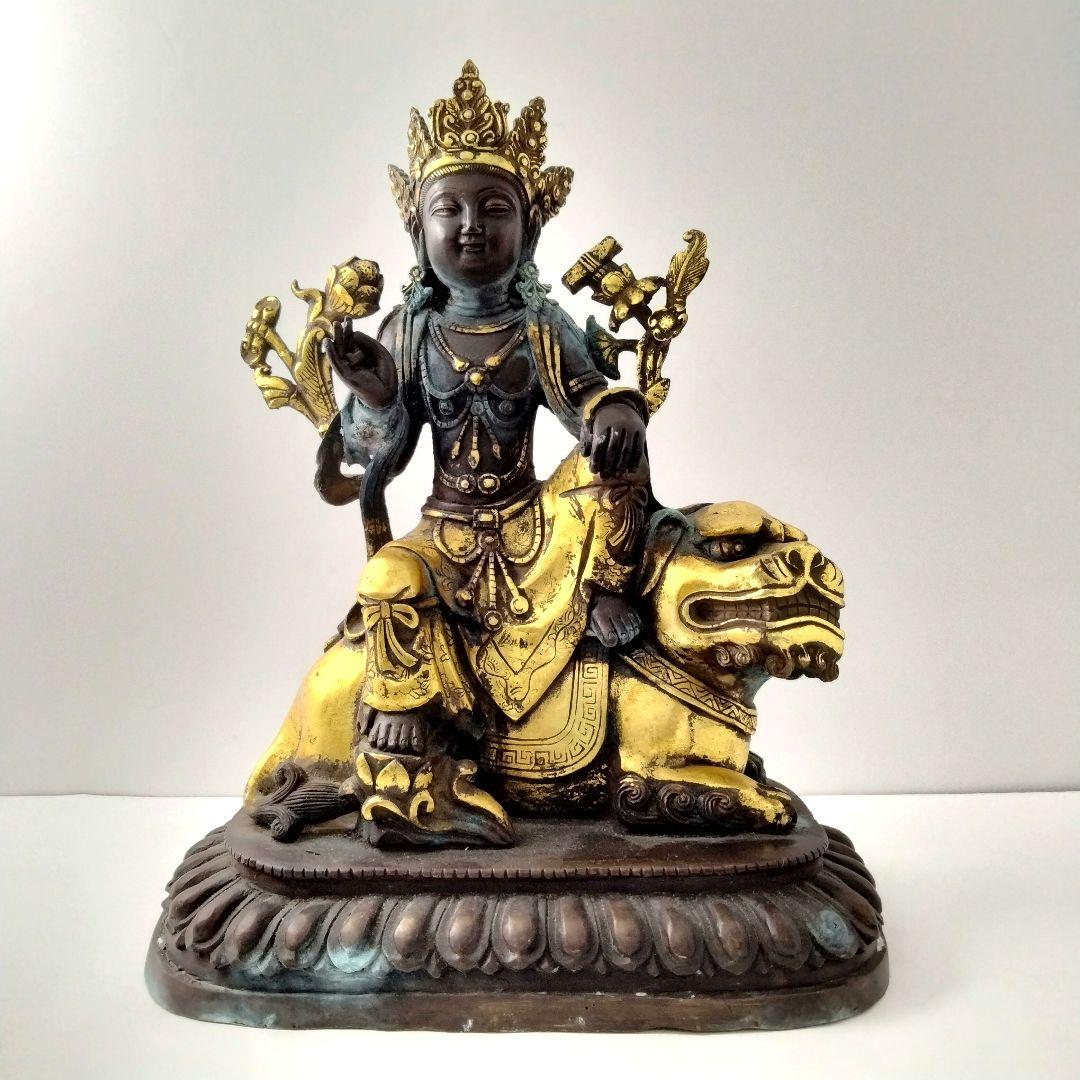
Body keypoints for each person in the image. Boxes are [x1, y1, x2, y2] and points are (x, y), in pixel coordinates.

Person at [321, 62, 652, 764]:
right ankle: (407, 702)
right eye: (450, 210)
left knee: (618, 451)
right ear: (418, 230)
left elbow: (586, 397)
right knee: (386, 580)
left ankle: (604, 590)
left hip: (536, 530)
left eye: (495, 209)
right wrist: (377, 395)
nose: (472, 227)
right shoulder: (408, 331)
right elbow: (375, 453)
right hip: (445, 532)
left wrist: (613, 409)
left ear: (528, 231)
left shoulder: (540, 325)